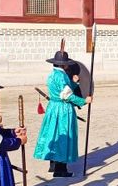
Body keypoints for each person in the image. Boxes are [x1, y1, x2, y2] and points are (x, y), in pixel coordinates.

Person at [34, 41, 92, 177]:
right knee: (63, 135)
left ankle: (53, 165)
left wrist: (74, 82)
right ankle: (61, 169)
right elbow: (67, 95)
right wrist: (84, 101)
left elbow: (62, 89)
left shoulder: (53, 74)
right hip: (62, 109)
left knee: (53, 134)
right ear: (64, 65)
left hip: (53, 107)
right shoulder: (61, 76)